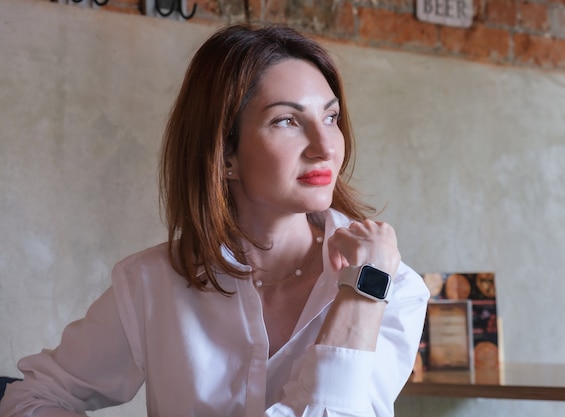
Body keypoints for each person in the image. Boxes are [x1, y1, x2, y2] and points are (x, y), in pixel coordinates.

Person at [0, 24, 429, 417]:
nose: (324, 147)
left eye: (330, 117)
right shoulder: (151, 283)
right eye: (287, 121)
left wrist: (363, 291)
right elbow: (32, 400)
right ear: (225, 156)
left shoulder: (396, 289)